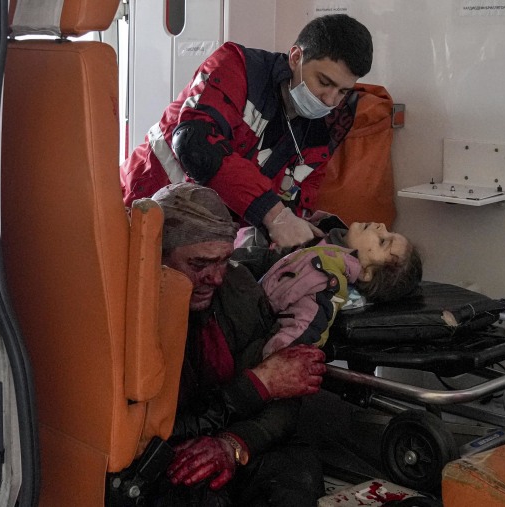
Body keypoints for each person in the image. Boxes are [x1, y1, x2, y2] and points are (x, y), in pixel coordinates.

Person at [121, 14, 373, 249]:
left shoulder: (325, 128)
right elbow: (194, 144)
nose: (330, 101)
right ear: (296, 57)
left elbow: (299, 198)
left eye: (342, 92)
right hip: (142, 207)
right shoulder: (238, 68)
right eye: (324, 82)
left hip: (207, 242)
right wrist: (274, 215)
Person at [147, 182, 327, 507]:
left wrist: (235, 444)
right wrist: (257, 385)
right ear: (156, 258)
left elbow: (285, 393)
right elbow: (149, 432)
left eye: (223, 260)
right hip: (170, 452)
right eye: (199, 265)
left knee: (296, 471)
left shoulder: (238, 287)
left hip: (237, 437)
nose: (216, 278)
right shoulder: (134, 318)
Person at [259, 222, 422, 357]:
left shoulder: (327, 279)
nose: (381, 226)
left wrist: (265, 369)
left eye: (382, 241)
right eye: (389, 231)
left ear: (366, 272)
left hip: (251, 314)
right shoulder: (326, 239)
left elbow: (299, 336)